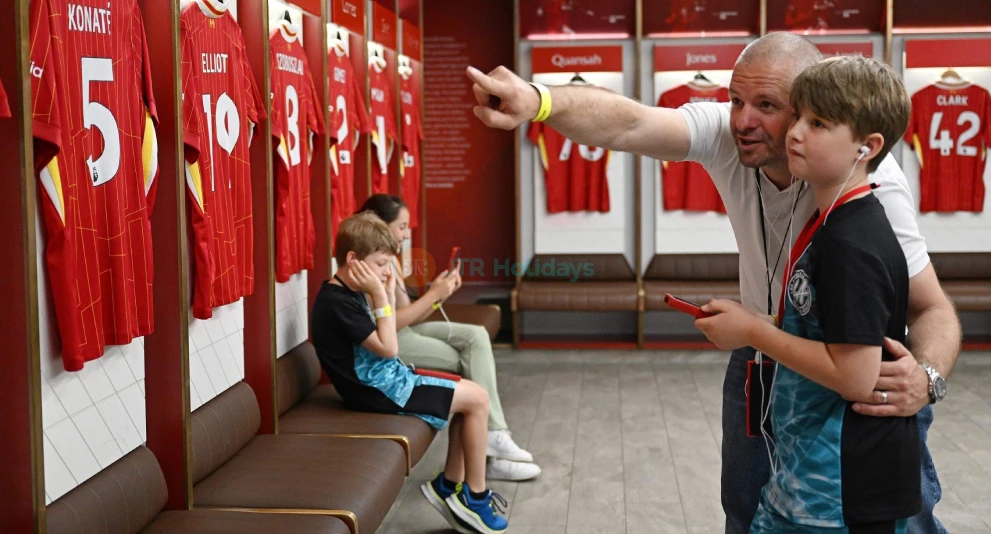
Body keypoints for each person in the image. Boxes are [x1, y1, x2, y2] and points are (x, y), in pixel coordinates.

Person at [466, 32, 960, 534]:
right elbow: (629, 121)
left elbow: (931, 309)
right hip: (762, 357)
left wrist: (928, 378)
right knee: (748, 513)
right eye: (735, 100)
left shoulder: (872, 186)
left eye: (768, 105)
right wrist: (539, 100)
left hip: (854, 389)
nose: (743, 120)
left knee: (896, 518)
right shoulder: (732, 135)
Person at [698, 55, 920, 533]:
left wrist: (753, 330)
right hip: (818, 479)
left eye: (817, 123)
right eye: (797, 116)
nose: (795, 133)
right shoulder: (834, 224)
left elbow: (856, 376)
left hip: (838, 489)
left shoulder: (851, 242)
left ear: (867, 147)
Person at [311, 213, 508, 534]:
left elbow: (383, 335)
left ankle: (450, 487)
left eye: (389, 263)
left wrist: (384, 291)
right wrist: (378, 295)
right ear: (352, 259)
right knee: (477, 398)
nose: (387, 271)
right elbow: (389, 347)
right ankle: (474, 497)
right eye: (381, 263)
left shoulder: (348, 290)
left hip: (386, 381)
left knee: (471, 395)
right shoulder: (337, 300)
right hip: (374, 390)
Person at [357, 194, 542, 482]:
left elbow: (407, 313)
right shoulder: (369, 262)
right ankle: (487, 455)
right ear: (377, 222)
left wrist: (438, 295)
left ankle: (494, 435)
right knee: (466, 361)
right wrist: (433, 296)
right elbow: (388, 326)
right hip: (392, 342)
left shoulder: (389, 257)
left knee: (476, 336)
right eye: (402, 227)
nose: (407, 234)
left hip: (406, 329)